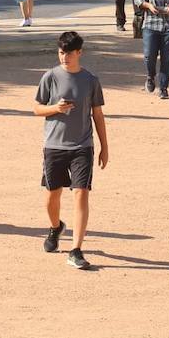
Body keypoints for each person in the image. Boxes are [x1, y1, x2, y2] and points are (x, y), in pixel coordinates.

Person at [33, 31, 108, 271]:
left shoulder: (90, 80)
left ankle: (76, 249)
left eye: (69, 53)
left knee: (81, 192)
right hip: (54, 145)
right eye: (61, 52)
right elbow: (36, 109)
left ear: (79, 53)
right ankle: (56, 227)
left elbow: (97, 114)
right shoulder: (50, 77)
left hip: (82, 146)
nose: (64, 57)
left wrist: (105, 147)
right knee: (52, 195)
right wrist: (55, 108)